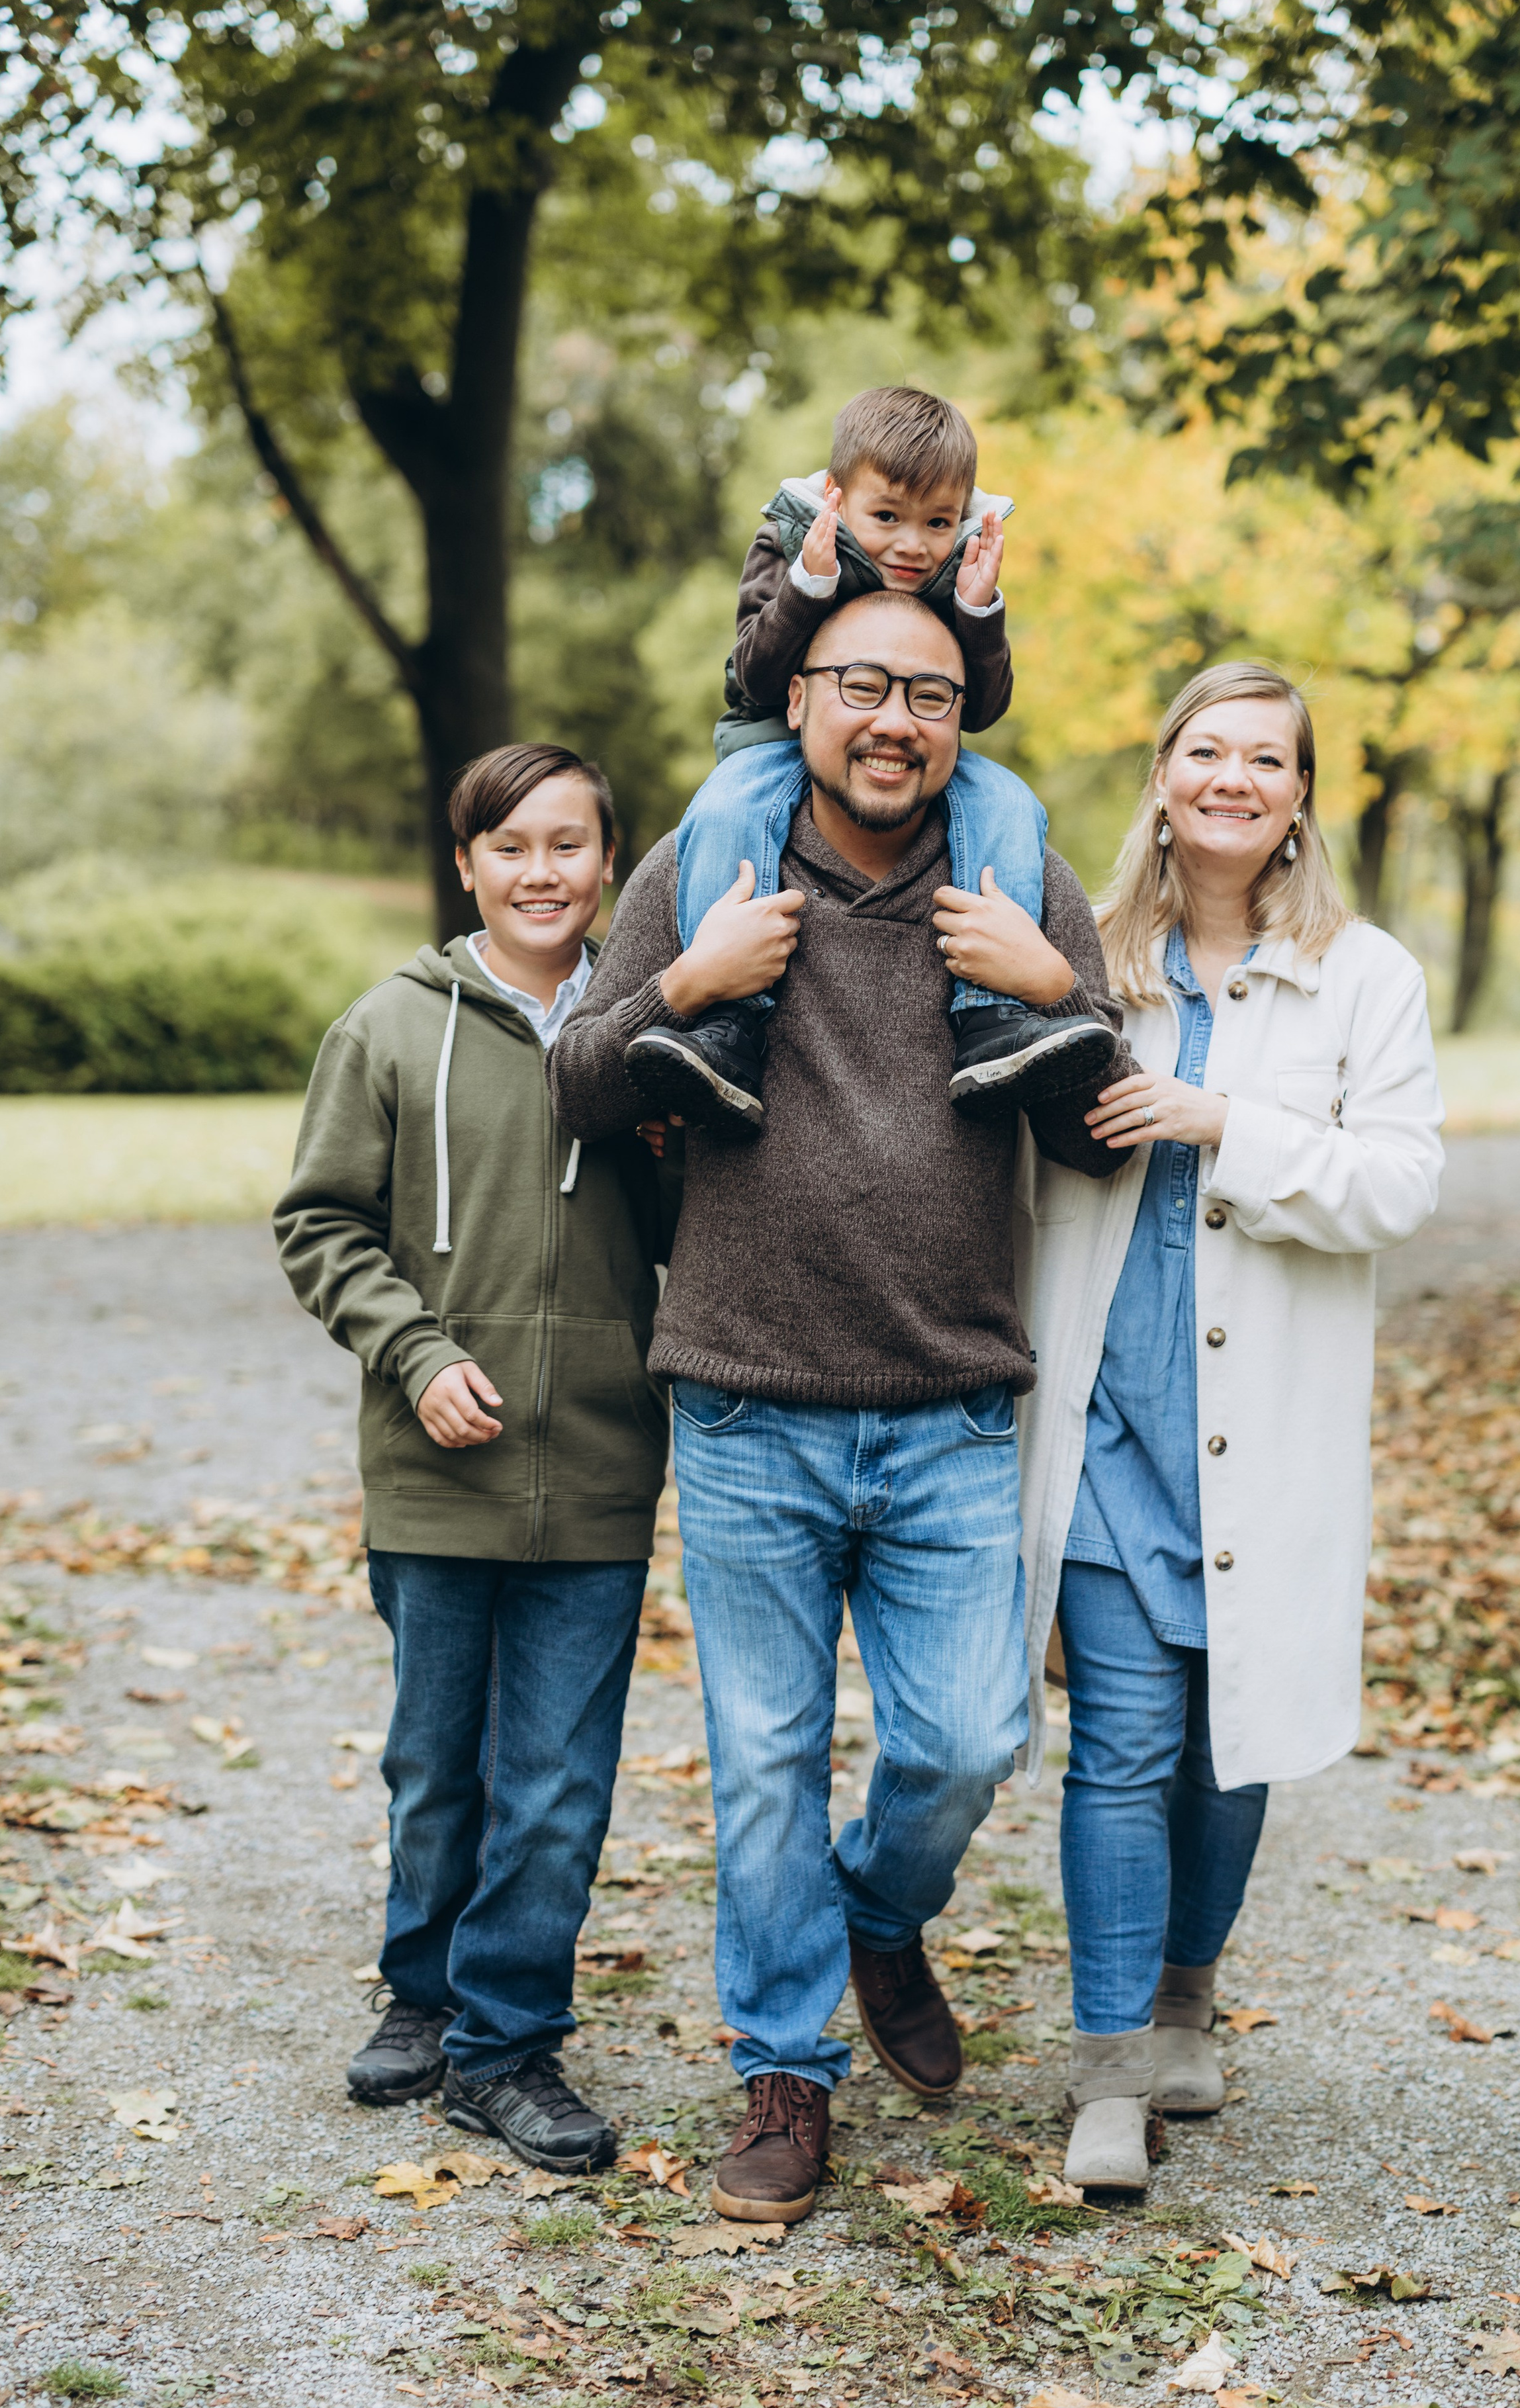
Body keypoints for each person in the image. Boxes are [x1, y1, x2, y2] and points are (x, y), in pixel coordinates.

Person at [551, 588, 1133, 2225]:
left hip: (949, 1401)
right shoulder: (706, 869)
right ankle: (786, 2071)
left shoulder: (1019, 876)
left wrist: (1058, 994)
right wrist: (684, 985)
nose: (894, 718)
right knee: (762, 1758)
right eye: (862, 684)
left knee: (967, 1740)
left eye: (929, 693)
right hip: (745, 1404)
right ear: (798, 696)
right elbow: (575, 1083)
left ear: (965, 714)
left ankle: (879, 1906)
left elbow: (1101, 1140)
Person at [1011, 661, 1444, 2192]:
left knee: (1228, 1738)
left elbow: (1397, 1182)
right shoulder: (1078, 961)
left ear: (1297, 795)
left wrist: (1221, 1124)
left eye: (1265, 757)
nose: (1232, 776)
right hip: (1108, 1425)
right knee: (1119, 1744)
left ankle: (1189, 1987)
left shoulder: (1361, 977)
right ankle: (1110, 2072)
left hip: (1258, 1433)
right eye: (1206, 748)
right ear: (1161, 771)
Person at [274, 743, 676, 2173]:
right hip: (435, 1463)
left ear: (609, 861)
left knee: (558, 1774)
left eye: (568, 844)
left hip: (600, 1467)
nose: (540, 872)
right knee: (437, 1762)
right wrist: (418, 1352)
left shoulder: (657, 1038)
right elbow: (321, 1223)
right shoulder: (388, 1028)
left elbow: (707, 1225)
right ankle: (421, 1992)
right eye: (510, 846)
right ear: (467, 865)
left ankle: (506, 2042)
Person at [623, 386, 1114, 1137]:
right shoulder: (789, 542)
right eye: (886, 517)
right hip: (775, 744)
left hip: (919, 754)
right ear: (835, 496)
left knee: (1011, 801)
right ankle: (726, 1028)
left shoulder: (959, 565)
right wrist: (808, 585)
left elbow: (980, 708)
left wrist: (979, 611)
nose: (913, 547)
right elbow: (752, 677)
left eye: (937, 523)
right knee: (724, 805)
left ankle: (993, 1019)